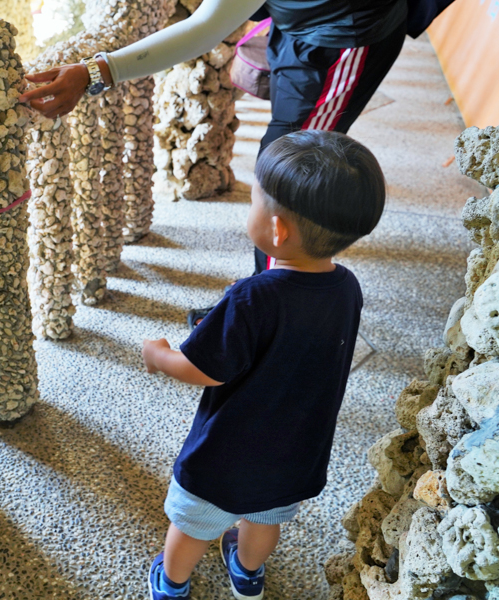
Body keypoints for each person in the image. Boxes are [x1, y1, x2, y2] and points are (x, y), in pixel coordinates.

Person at [18, 0, 406, 327]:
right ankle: (262, 294)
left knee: (291, 184)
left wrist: (93, 72)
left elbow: (202, 29)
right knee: (279, 160)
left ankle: (270, 319)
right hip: (301, 24)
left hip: (341, 37)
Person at [138, 130, 385, 600]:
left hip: (226, 455)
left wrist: (161, 355)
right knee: (264, 519)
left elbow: (204, 369)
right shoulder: (347, 287)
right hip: (296, 452)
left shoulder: (252, 298)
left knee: (192, 526)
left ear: (277, 231)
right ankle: (248, 574)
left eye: (253, 199)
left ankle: (171, 584)